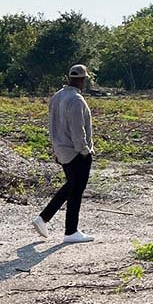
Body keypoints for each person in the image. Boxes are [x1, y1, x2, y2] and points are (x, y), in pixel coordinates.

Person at [32, 64, 96, 244]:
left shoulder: (57, 96)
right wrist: (84, 151)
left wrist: (55, 149)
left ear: (69, 77)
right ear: (83, 80)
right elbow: (78, 130)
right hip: (76, 151)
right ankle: (71, 231)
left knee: (71, 186)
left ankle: (43, 218)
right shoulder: (76, 100)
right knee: (76, 190)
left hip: (61, 149)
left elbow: (52, 126)